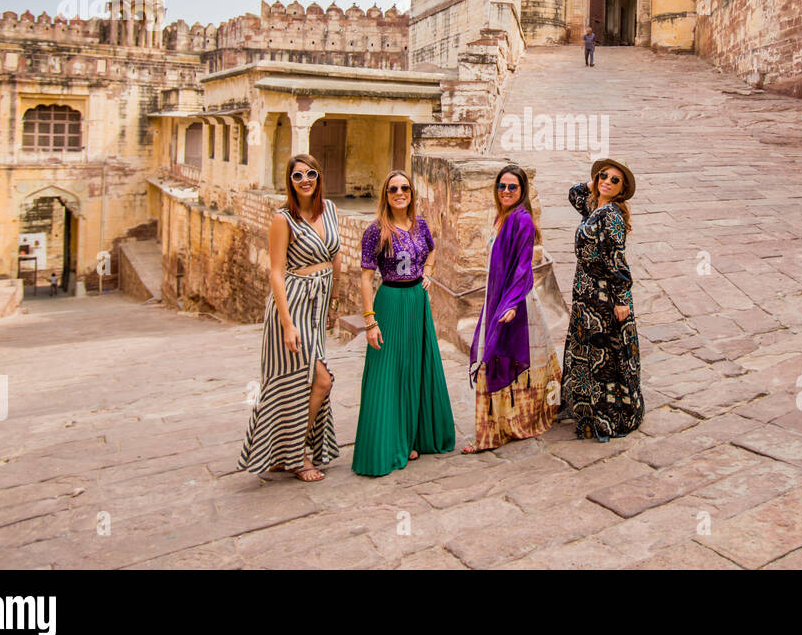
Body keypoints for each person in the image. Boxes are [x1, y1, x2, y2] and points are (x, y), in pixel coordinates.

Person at [237, 153, 339, 481]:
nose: (305, 180)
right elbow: (276, 272)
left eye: (310, 173)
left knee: (305, 381)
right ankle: (298, 455)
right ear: (290, 182)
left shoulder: (331, 210)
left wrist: (334, 300)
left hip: (318, 305)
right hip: (292, 304)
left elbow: (335, 257)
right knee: (319, 380)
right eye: (298, 176)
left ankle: (284, 454)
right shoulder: (283, 219)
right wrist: (286, 323)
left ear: (319, 176)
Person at [352, 170, 456, 476]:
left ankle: (413, 438)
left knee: (416, 368)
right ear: (386, 194)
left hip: (417, 302)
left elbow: (433, 248)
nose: (400, 192)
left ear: (411, 193)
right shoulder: (376, 231)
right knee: (388, 372)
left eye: (405, 188)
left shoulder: (419, 224)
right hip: (391, 303)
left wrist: (428, 270)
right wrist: (370, 321)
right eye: (394, 189)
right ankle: (386, 444)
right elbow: (366, 276)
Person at [462, 165, 561, 453]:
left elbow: (522, 266)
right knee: (494, 357)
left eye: (512, 187)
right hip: (498, 298)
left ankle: (492, 434)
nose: (505, 191)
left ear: (522, 191)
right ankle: (499, 426)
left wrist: (512, 304)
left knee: (494, 357)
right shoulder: (502, 217)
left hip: (514, 302)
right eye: (501, 186)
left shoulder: (522, 221)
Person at [560, 158, 642, 440]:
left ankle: (607, 416)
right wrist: (591, 182)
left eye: (614, 180)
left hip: (603, 294)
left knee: (604, 354)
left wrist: (621, 300)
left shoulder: (612, 216)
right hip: (584, 292)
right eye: (603, 176)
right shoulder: (595, 206)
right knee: (588, 349)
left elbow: (617, 259)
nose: (606, 181)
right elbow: (573, 193)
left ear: (622, 189)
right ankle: (586, 408)